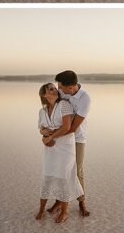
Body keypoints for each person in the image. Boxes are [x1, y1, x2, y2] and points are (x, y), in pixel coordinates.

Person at [42, 70, 92, 217]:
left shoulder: (85, 99)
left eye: (61, 87)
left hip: (77, 138)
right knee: (61, 170)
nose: (59, 90)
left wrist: (50, 137)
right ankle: (60, 201)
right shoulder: (62, 92)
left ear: (71, 87)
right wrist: (45, 133)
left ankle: (82, 202)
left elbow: (73, 128)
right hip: (61, 137)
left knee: (77, 171)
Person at [35, 83, 84, 223]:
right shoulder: (42, 111)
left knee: (64, 177)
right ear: (44, 95)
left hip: (65, 148)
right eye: (51, 89)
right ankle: (41, 209)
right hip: (50, 149)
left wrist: (50, 137)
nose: (55, 90)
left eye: (55, 88)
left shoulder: (64, 105)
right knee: (47, 175)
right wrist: (44, 134)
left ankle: (64, 211)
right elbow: (41, 127)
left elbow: (67, 127)